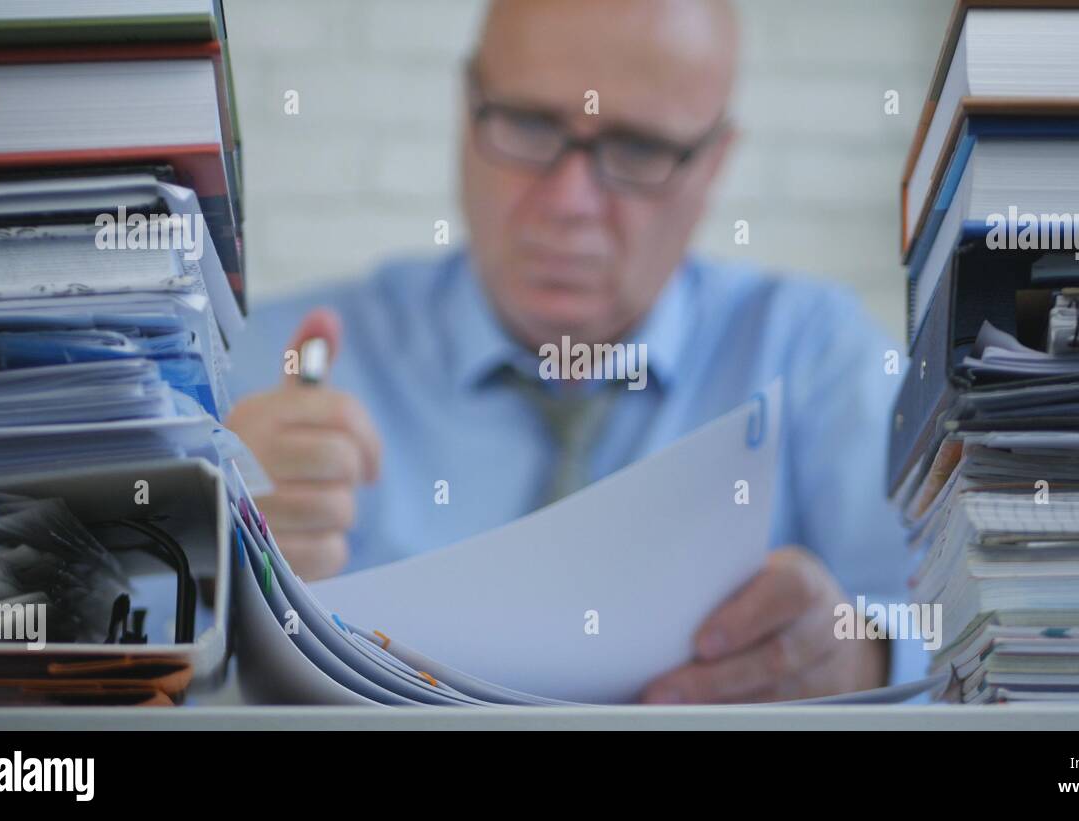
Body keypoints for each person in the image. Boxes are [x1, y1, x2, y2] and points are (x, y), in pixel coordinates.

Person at [227, 0, 917, 703]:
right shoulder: (265, 372)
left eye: (639, 148)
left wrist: (866, 657)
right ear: (467, 111)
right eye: (529, 124)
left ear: (715, 164)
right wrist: (215, 556)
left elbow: (969, 636)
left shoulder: (815, 356)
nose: (570, 200)